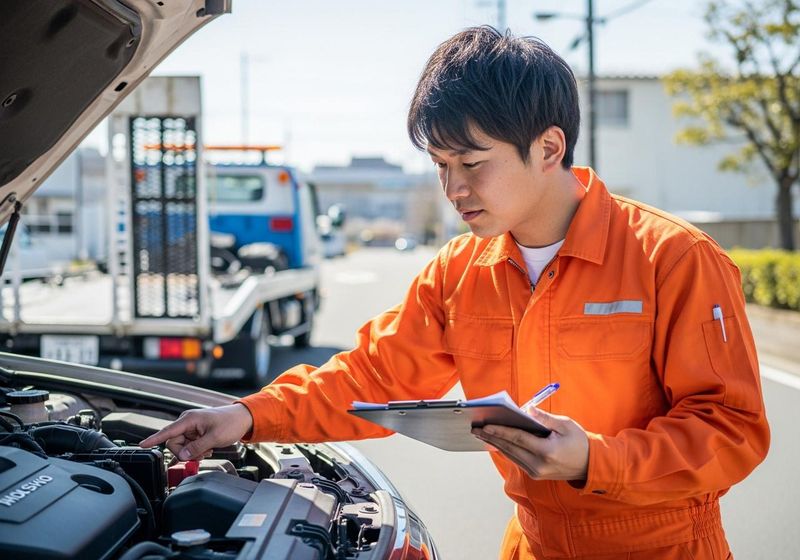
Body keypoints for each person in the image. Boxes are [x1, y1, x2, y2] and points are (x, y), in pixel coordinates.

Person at [141, 26, 770, 559]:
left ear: (549, 147)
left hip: (660, 546)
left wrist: (594, 461)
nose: (454, 187)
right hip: (530, 542)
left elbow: (733, 430)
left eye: (471, 163)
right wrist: (249, 416)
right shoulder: (459, 270)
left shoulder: (673, 258)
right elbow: (373, 375)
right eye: (440, 166)